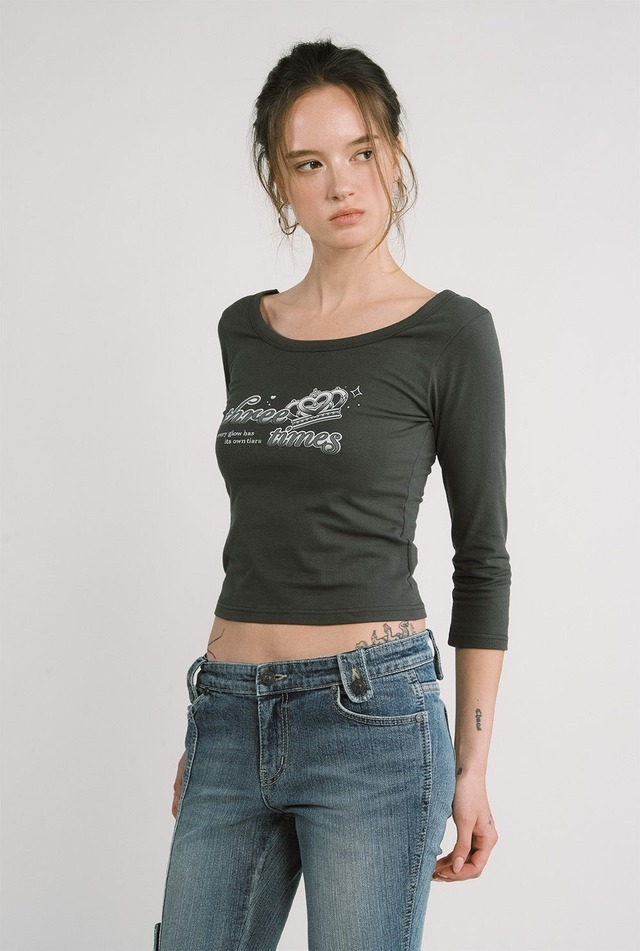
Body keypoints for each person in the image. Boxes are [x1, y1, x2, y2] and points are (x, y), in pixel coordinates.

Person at [153, 37, 511, 951]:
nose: (341, 183)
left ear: (395, 155)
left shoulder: (451, 333)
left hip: (373, 718)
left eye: (360, 151)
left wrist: (472, 765)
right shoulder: (245, 329)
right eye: (309, 163)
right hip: (230, 708)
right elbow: (262, 529)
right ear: (280, 182)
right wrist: (215, 721)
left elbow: (483, 558)